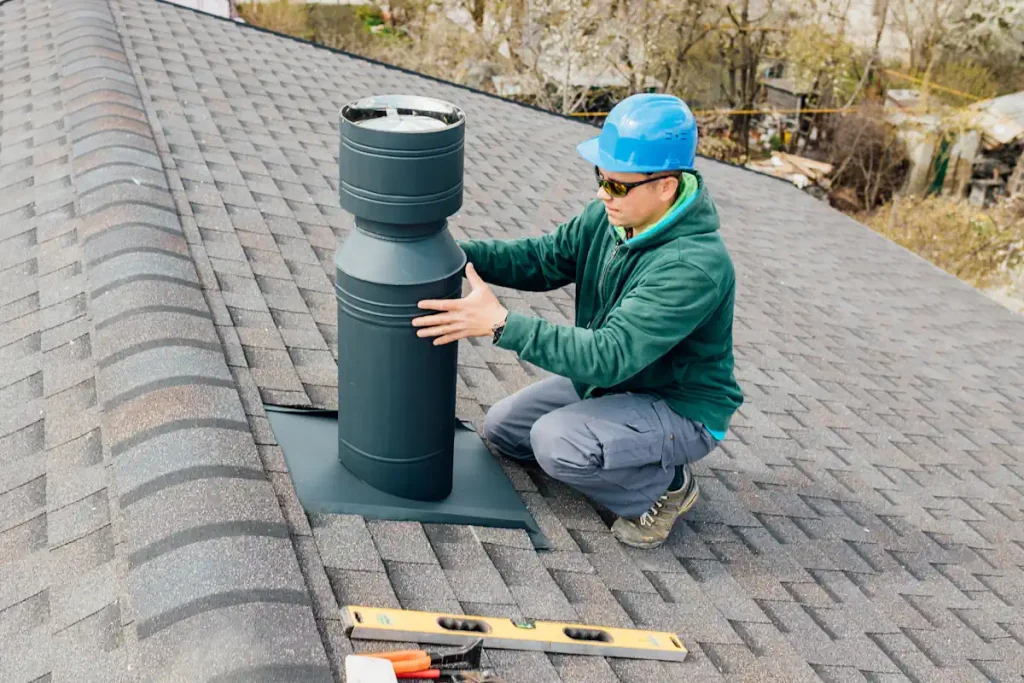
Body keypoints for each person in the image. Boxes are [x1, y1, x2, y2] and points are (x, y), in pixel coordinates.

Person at [411, 93, 743, 549]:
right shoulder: (611, 217)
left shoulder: (693, 266)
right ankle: (618, 445)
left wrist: (501, 324)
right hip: (620, 382)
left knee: (556, 443)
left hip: (678, 406)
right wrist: (455, 255)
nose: (603, 193)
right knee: (505, 429)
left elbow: (609, 356)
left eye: (618, 185)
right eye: (600, 178)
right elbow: (543, 259)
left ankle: (665, 490)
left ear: (665, 186)